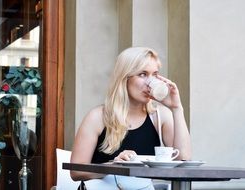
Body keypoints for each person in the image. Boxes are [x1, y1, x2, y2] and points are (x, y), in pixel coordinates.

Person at [70, 47, 192, 189]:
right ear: (124, 78)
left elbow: (183, 159)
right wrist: (113, 167)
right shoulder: (98, 117)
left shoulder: (159, 116)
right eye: (142, 74)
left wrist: (177, 109)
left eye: (155, 74)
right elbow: (76, 171)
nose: (150, 82)